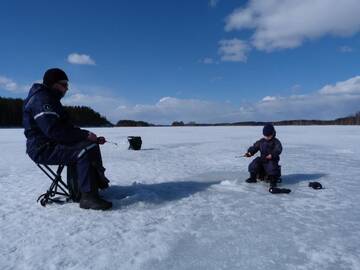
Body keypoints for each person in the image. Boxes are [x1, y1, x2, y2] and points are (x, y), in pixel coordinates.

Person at [23, 68, 112, 210]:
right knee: (85, 149)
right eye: (64, 85)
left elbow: (66, 128)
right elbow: (53, 130)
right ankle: (88, 197)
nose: (66, 89)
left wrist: (88, 136)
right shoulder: (42, 100)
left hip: (51, 143)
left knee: (90, 144)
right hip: (42, 148)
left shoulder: (51, 99)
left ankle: (93, 187)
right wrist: (83, 136)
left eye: (67, 85)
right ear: (53, 84)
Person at [244, 124, 282, 188]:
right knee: (254, 163)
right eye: (265, 135)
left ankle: (273, 182)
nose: (267, 137)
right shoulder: (261, 141)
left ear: (273, 133)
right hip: (263, 158)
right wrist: (250, 152)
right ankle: (253, 177)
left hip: (272, 159)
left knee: (271, 166)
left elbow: (278, 149)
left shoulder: (276, 142)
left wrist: (272, 155)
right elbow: (255, 147)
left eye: (269, 135)